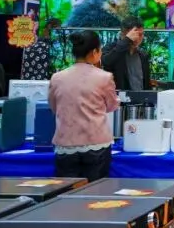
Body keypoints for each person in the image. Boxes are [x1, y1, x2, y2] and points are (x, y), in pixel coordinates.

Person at [48, 30, 119, 182]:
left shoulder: (57, 77)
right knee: (95, 191)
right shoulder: (104, 77)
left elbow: (54, 108)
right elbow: (112, 106)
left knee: (66, 191)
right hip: (97, 144)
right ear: (94, 52)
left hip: (65, 144)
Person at [102, 16, 151, 91]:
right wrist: (127, 40)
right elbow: (106, 62)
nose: (137, 38)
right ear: (122, 34)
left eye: (140, 34)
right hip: (118, 97)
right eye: (133, 35)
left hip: (141, 97)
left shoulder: (143, 55)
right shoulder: (111, 48)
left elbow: (146, 83)